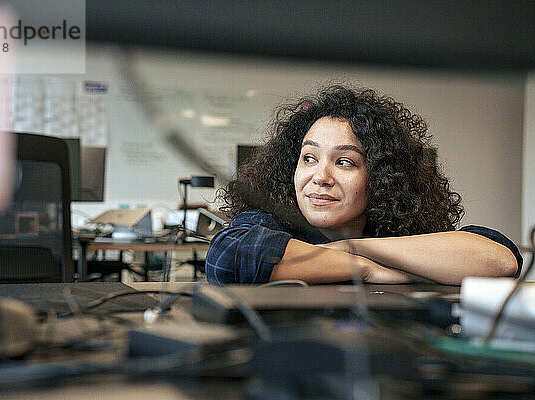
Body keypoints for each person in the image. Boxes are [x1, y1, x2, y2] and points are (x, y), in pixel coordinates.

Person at [206, 85, 522, 285]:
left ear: (381, 178)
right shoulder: (268, 222)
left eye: (345, 162)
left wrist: (349, 248)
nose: (320, 176)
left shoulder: (399, 232)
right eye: (309, 158)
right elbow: (229, 256)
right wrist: (366, 269)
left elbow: (500, 259)